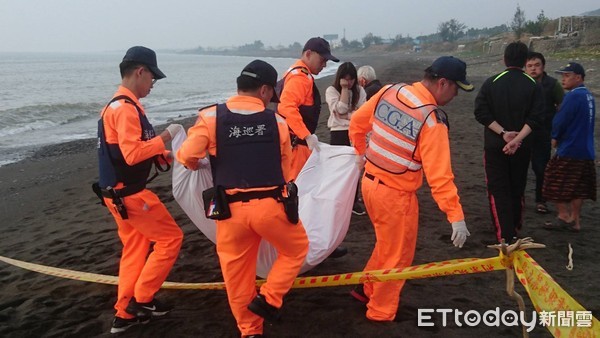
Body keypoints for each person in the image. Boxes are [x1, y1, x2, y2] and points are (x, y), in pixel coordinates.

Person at [176, 60, 309, 337]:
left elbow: (188, 155)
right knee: (296, 249)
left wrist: (195, 164)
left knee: (237, 276)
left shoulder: (211, 117)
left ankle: (250, 331)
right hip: (270, 208)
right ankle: (270, 298)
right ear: (264, 90)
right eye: (273, 92)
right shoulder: (277, 122)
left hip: (228, 212)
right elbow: (285, 170)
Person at [348, 56, 472, 322]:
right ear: (442, 83)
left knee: (386, 245)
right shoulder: (431, 120)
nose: (456, 95)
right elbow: (440, 177)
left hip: (369, 185)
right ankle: (380, 311)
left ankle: (366, 288)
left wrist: (362, 153)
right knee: (398, 256)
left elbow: (357, 122)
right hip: (395, 197)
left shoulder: (390, 90)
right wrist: (456, 217)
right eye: (456, 89)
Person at [96, 46, 184, 333]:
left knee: (135, 249)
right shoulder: (125, 109)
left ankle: (124, 313)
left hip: (115, 196)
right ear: (140, 72)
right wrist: (166, 137)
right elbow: (132, 154)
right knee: (171, 239)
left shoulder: (117, 105)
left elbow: (122, 152)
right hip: (131, 196)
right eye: (152, 79)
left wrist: (164, 155)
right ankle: (142, 299)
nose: (152, 85)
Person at [474, 42, 545, 243]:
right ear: (525, 61)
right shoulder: (533, 85)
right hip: (522, 147)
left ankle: (505, 234)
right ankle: (514, 227)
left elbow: (481, 112)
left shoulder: (491, 82)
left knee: (498, 189)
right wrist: (518, 139)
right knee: (517, 187)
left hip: (496, 145)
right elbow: (536, 118)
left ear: (504, 59)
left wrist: (504, 133)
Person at [543, 62, 596, 232]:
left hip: (570, 148)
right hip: (586, 149)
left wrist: (555, 137)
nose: (563, 79)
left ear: (578, 77)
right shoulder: (588, 96)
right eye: (563, 76)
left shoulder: (573, 96)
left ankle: (563, 215)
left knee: (553, 179)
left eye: (567, 76)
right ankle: (576, 220)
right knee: (578, 186)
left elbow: (561, 119)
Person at [277, 37, 340, 180]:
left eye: (326, 61)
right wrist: (306, 135)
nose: (324, 65)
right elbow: (286, 107)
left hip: (289, 143)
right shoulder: (301, 78)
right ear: (308, 54)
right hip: (296, 147)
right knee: (297, 189)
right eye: (322, 60)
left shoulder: (292, 72)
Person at [325, 62, 367, 215]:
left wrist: (346, 116)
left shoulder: (360, 90)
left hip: (355, 131)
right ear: (340, 78)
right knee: (338, 168)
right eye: (345, 79)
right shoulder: (331, 90)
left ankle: (353, 201)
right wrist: (343, 89)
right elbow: (340, 108)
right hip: (338, 132)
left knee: (355, 168)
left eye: (351, 79)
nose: (348, 82)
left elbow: (362, 113)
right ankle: (338, 200)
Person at [525, 52, 564, 215]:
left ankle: (541, 200)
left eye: (537, 65)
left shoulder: (553, 84)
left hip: (544, 133)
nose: (533, 69)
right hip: (523, 133)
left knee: (541, 169)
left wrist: (557, 132)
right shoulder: (522, 83)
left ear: (543, 66)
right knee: (519, 167)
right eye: (530, 66)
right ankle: (518, 198)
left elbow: (562, 107)